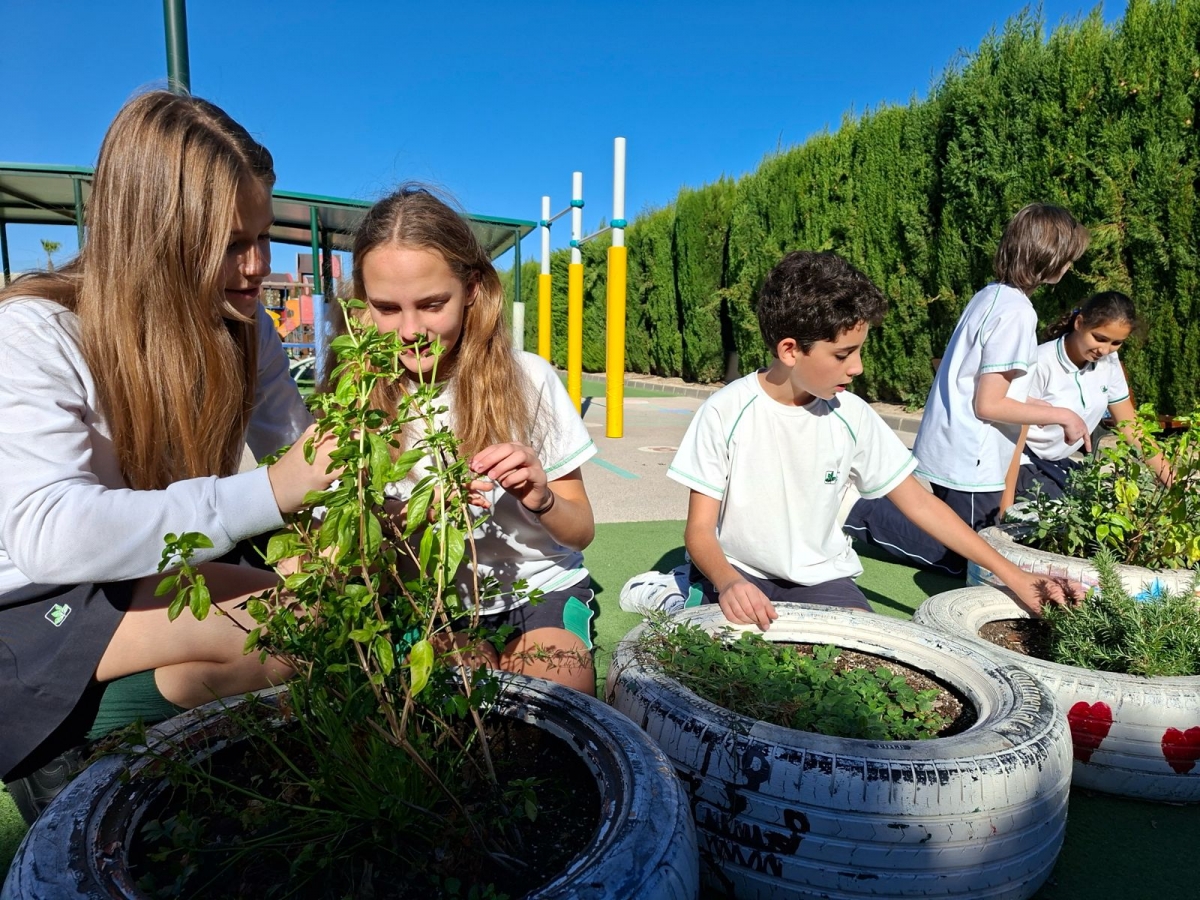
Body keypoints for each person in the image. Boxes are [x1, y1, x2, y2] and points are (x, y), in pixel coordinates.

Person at [0, 91, 338, 819]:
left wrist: (354, 514)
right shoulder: (35, 332)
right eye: (229, 243)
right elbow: (49, 533)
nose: (257, 267)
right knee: (288, 635)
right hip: (34, 600)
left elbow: (299, 454)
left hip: (151, 563)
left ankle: (166, 740)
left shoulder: (245, 329)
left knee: (314, 610)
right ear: (155, 233)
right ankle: (64, 751)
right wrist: (274, 493)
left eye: (262, 235)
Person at [666, 250, 1077, 632]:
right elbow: (700, 531)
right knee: (723, 662)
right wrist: (728, 582)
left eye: (860, 350)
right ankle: (679, 588)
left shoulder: (852, 415)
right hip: (738, 571)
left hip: (820, 578)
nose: (858, 367)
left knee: (870, 656)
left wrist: (1014, 575)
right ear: (790, 350)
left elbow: (920, 504)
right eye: (844, 354)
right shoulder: (726, 411)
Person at [352, 185, 598, 695]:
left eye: (432, 303)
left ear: (474, 290)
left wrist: (543, 497)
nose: (410, 330)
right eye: (387, 308)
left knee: (554, 700)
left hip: (540, 591)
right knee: (455, 713)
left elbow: (580, 531)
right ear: (362, 305)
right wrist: (417, 512)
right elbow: (356, 548)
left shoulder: (529, 379)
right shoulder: (355, 398)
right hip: (433, 602)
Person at [843, 203, 1092, 575]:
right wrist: (1062, 414)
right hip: (973, 461)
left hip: (952, 448)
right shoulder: (1019, 312)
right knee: (970, 562)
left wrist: (1041, 408)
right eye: (1068, 259)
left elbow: (986, 386)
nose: (1069, 267)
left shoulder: (988, 296)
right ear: (1049, 258)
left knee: (960, 543)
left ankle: (861, 508)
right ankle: (854, 511)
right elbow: (989, 403)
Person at [1014, 290, 1171, 499]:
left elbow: (1131, 428)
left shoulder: (1109, 363)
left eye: (1116, 343)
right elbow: (1014, 437)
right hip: (1023, 461)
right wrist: (1005, 509)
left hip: (1059, 462)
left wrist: (1174, 482)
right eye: (1100, 338)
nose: (1105, 350)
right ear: (1079, 323)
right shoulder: (1041, 362)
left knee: (1113, 505)